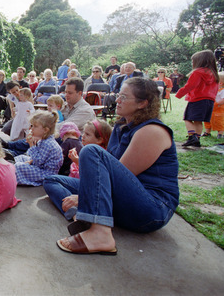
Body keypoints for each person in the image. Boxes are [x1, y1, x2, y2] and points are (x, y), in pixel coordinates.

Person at [56, 77, 179, 255]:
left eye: (123, 96)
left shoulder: (152, 131)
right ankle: (84, 213)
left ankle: (100, 233)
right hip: (124, 200)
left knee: (91, 151)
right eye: (118, 95)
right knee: (52, 180)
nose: (117, 100)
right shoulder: (122, 126)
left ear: (143, 103)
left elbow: (121, 175)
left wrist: (84, 195)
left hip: (151, 209)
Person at [43, 119, 112, 220]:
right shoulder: (85, 149)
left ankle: (76, 213)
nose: (82, 136)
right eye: (83, 133)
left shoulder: (101, 153)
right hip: (83, 184)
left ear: (99, 140)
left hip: (95, 189)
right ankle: (75, 210)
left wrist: (77, 161)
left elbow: (96, 178)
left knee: (51, 181)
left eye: (87, 134)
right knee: (49, 180)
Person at [176, 50, 219, 147]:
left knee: (187, 118)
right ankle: (197, 139)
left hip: (197, 99)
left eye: (193, 61)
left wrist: (179, 94)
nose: (192, 63)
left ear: (199, 61)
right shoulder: (214, 74)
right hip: (209, 101)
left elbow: (190, 85)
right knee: (198, 121)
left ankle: (192, 137)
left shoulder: (197, 72)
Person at [14, 111, 63, 186]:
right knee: (21, 158)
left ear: (45, 130)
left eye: (35, 126)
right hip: (40, 167)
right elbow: (36, 158)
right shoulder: (44, 140)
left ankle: (10, 175)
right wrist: (30, 161)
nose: (31, 128)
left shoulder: (48, 144)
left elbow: (38, 163)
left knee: (18, 167)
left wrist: (31, 145)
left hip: (45, 174)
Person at [202, 72, 224, 139]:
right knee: (208, 120)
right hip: (210, 108)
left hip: (219, 109)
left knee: (219, 121)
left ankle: (220, 134)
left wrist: (217, 104)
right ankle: (207, 132)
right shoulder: (213, 90)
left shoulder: (223, 91)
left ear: (220, 83)